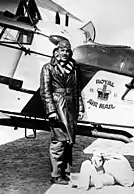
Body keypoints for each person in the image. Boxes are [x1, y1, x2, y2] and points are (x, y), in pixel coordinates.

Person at [40, 39, 85, 185]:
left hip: (71, 107)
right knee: (58, 142)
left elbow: (77, 90)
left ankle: (64, 172)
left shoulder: (74, 68)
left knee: (68, 142)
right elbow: (45, 92)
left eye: (67, 51)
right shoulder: (48, 68)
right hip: (57, 107)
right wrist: (51, 111)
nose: (65, 53)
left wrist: (81, 107)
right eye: (62, 50)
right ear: (56, 51)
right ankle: (56, 175)